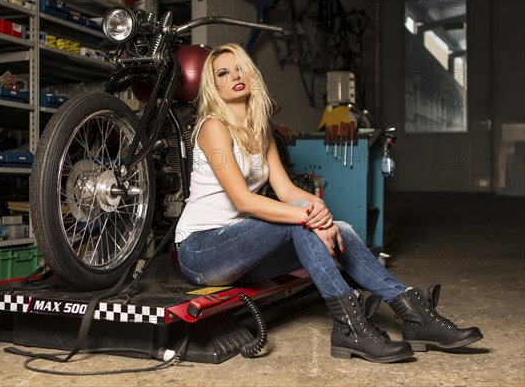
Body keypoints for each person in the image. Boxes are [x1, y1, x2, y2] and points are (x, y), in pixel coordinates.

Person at [174, 43, 482, 363]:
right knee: (300, 220)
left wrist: (323, 214)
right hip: (201, 250)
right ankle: (351, 325)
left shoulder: (260, 132)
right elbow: (245, 201)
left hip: (241, 252)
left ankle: (414, 314)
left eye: (240, 68)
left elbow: (285, 189)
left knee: (342, 230)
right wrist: (307, 216)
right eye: (223, 72)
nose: (235, 76)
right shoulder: (213, 127)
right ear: (214, 85)